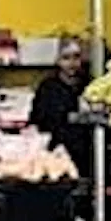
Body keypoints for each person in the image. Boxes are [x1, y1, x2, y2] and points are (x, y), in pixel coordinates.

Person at [27, 38, 96, 180]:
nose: (71, 63)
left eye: (76, 57)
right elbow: (37, 119)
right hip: (55, 153)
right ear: (58, 60)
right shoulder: (48, 88)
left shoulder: (91, 86)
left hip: (87, 153)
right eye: (66, 58)